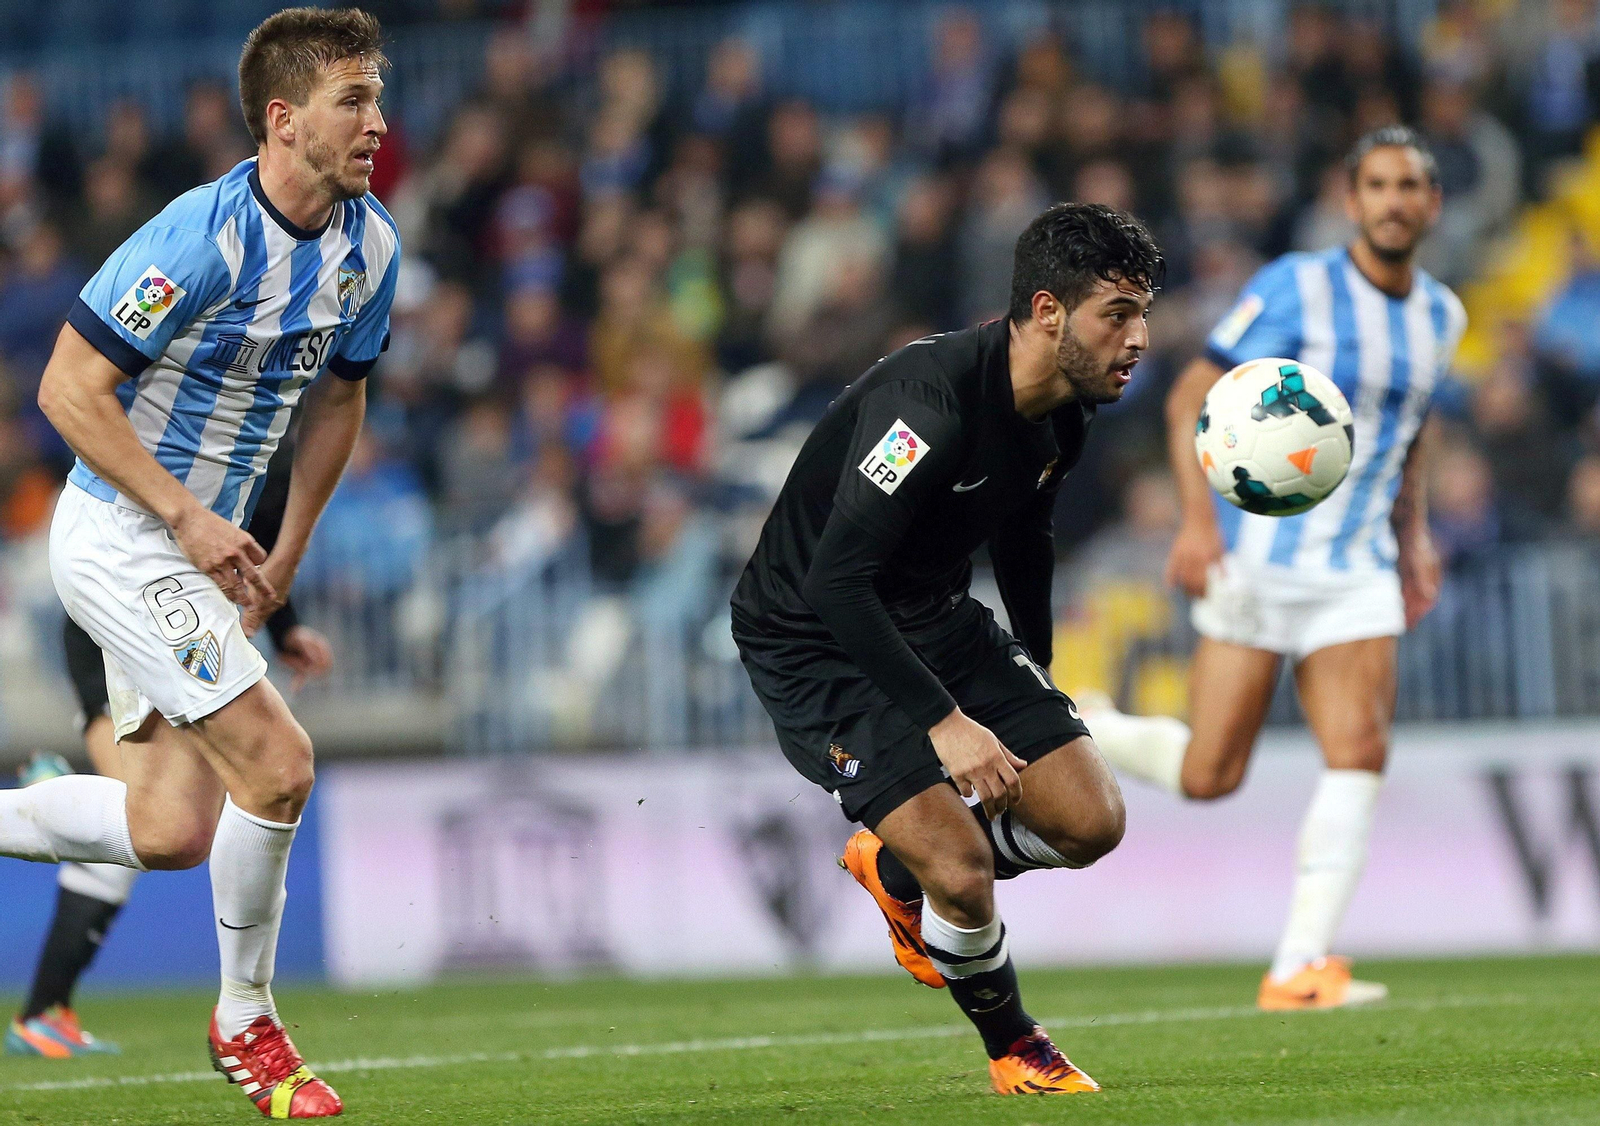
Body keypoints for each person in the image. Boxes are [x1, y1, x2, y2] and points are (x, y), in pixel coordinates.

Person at [0, 8, 398, 1117]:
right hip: (120, 536)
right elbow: (67, 390)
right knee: (277, 763)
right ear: (284, 119)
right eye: (353, 101)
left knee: (169, 831)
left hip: (203, 551)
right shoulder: (197, 239)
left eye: (377, 96)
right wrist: (183, 516)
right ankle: (247, 1024)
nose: (378, 122)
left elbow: (340, 398)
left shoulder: (372, 246)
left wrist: (286, 551)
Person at [732, 202, 1162, 1096]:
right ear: (1048, 313)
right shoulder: (924, 407)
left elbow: (1025, 535)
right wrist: (950, 724)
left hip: (928, 611)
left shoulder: (1066, 412)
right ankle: (1016, 1048)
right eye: (1116, 314)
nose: (1138, 338)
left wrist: (1037, 679)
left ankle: (894, 865)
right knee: (963, 875)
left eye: (1142, 314)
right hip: (813, 636)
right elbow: (835, 582)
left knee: (1092, 822)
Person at [1091, 127, 1465, 1011]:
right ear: (1352, 198)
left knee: (1360, 750)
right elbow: (1192, 394)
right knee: (1210, 776)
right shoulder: (1296, 284)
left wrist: (1413, 539)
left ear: (1432, 203)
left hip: (1359, 567)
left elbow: (1412, 433)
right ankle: (1085, 725)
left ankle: (1300, 963)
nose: (1394, 200)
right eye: (1377, 184)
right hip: (1260, 558)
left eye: (1410, 185)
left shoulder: (1443, 314)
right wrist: (1195, 525)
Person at [7, 443, 334, 1059]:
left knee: (162, 833)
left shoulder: (266, 449)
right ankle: (41, 1016)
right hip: (113, 627)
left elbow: (254, 561)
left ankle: (45, 1010)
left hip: (176, 627)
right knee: (138, 828)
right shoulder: (221, 435)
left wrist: (288, 631)